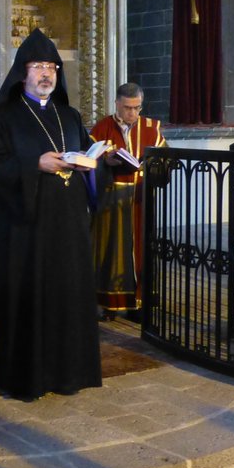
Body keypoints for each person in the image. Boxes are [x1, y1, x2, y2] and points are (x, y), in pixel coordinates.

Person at [0, 29, 103, 399]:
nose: (46, 73)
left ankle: (70, 374)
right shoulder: (3, 117)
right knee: (29, 297)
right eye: (37, 66)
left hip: (68, 226)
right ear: (23, 72)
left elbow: (84, 155)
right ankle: (28, 379)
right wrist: (34, 163)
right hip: (26, 229)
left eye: (51, 66)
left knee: (68, 294)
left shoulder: (70, 114)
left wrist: (95, 162)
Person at [89, 83, 166, 317]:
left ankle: (139, 305)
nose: (133, 113)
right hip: (111, 201)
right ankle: (109, 303)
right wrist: (106, 163)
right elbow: (88, 165)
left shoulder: (152, 128)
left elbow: (166, 160)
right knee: (111, 252)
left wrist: (155, 165)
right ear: (117, 104)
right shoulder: (101, 128)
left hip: (141, 200)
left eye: (137, 107)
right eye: (127, 108)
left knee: (142, 251)